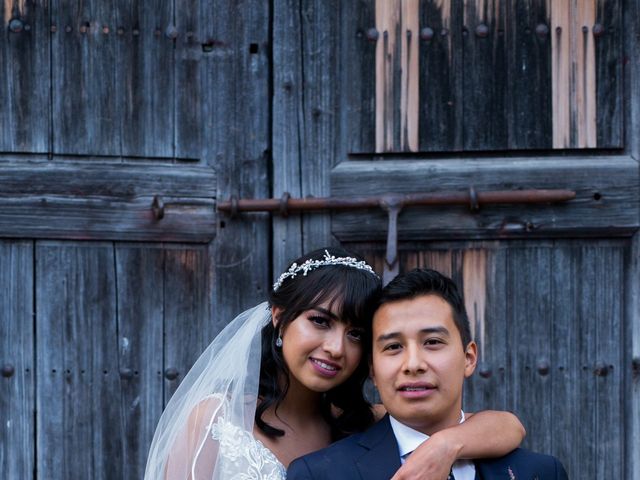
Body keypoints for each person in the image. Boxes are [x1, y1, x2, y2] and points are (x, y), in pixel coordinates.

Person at [145, 249, 526, 480]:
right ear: (279, 318)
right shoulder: (218, 420)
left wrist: (445, 445)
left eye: (356, 334)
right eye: (320, 321)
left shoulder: (363, 420)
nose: (336, 348)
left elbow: (509, 427)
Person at [287, 268, 568, 480]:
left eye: (432, 342)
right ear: (372, 369)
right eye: (394, 346)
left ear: (468, 358)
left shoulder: (541, 470)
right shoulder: (318, 473)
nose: (413, 364)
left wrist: (446, 445)